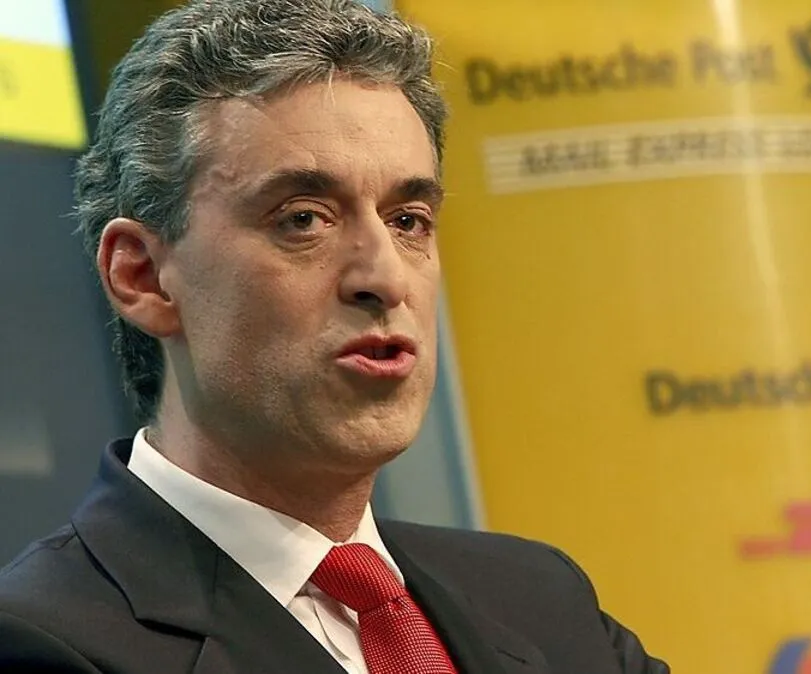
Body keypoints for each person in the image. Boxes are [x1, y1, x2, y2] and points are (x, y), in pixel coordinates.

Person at [0, 1, 669, 672]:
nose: (385, 277)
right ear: (143, 276)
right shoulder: (40, 642)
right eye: (304, 219)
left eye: (408, 220)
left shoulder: (543, 600)